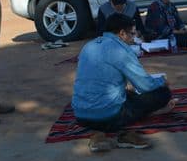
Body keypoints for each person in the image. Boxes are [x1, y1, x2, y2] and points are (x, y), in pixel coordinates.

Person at [72, 13, 176, 152]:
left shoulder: (88, 46)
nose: (134, 38)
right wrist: (162, 81)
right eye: (132, 34)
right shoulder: (121, 49)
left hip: (80, 115)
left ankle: (99, 132)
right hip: (109, 116)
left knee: (128, 93)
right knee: (163, 93)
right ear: (122, 33)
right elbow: (145, 86)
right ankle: (123, 130)